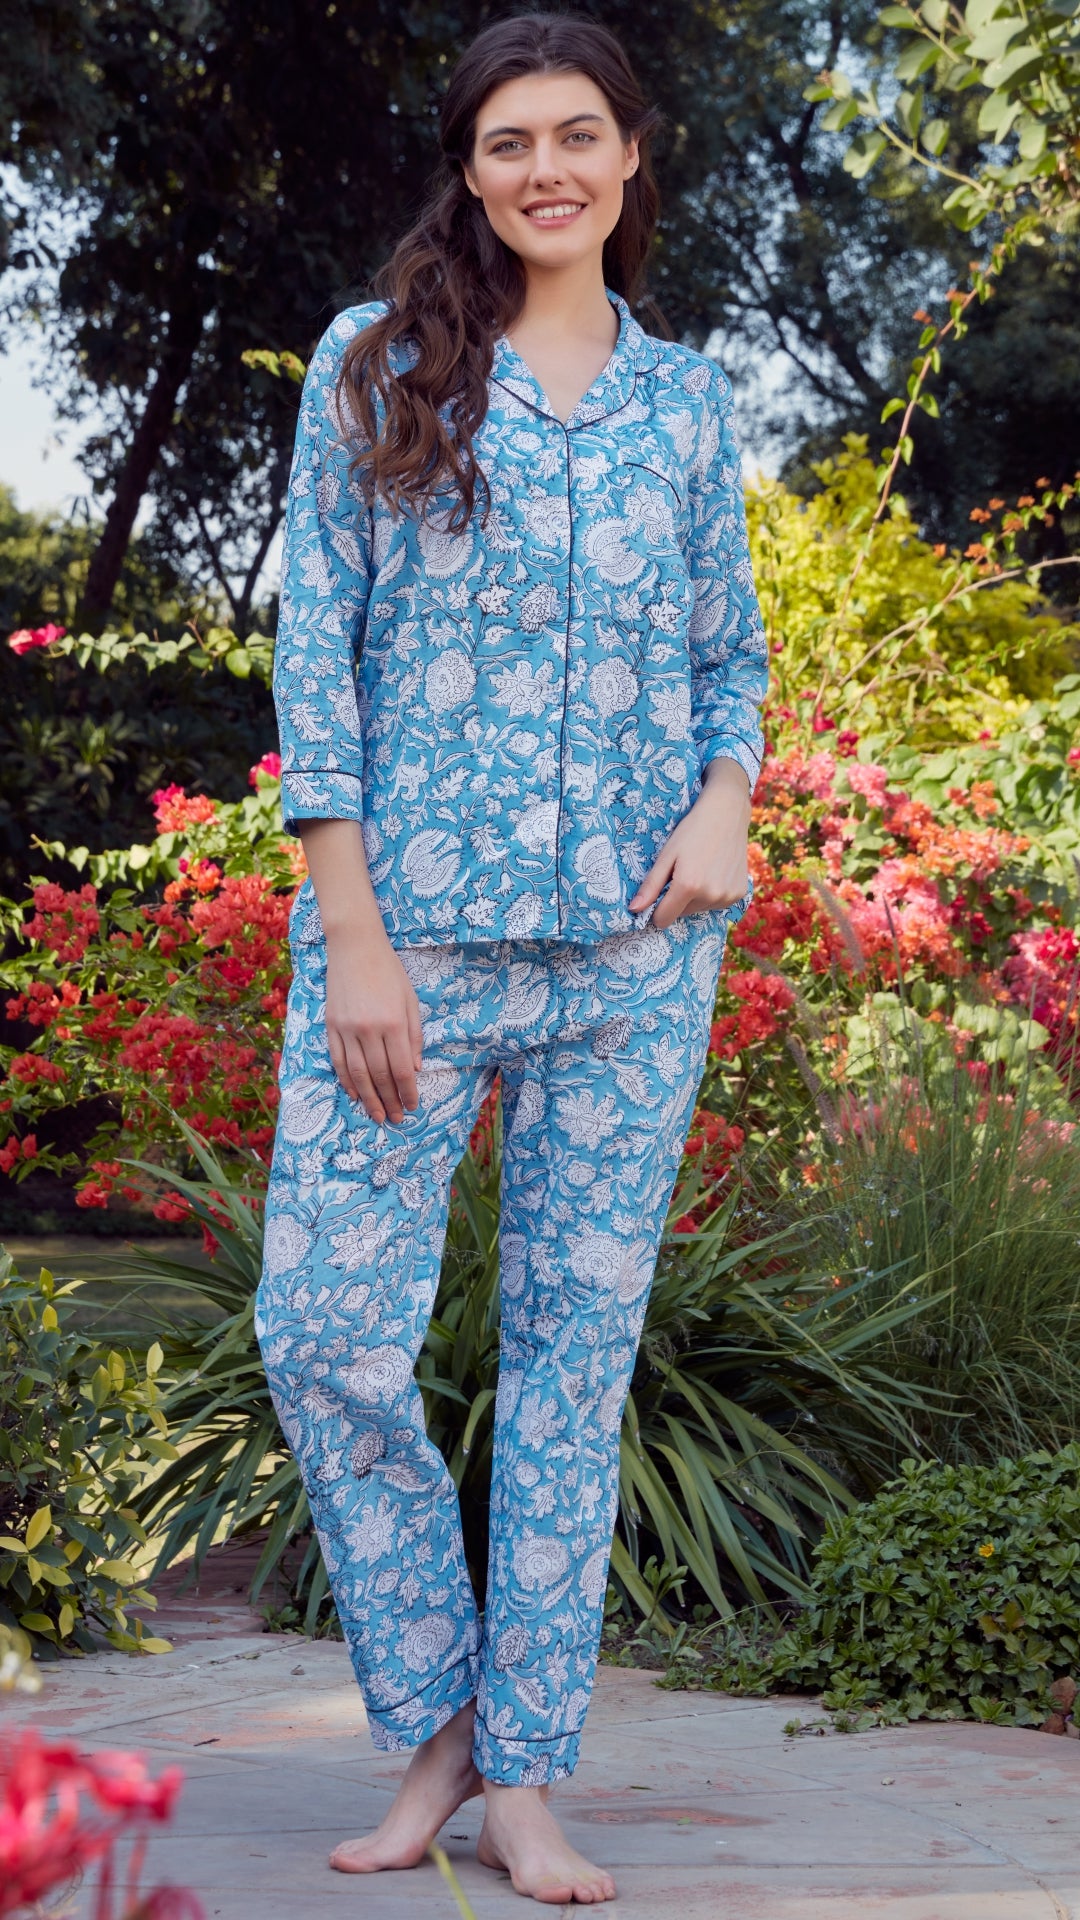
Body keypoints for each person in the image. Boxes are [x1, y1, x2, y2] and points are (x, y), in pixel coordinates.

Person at [254, 8, 768, 1905]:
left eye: (575, 135)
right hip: (409, 949)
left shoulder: (688, 405)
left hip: (634, 960)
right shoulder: (375, 367)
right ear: (469, 172)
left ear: (631, 155)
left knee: (573, 1371)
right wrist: (355, 939)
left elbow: (729, 653)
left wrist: (726, 800)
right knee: (323, 1333)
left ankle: (520, 1775)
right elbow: (316, 662)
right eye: (505, 142)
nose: (543, 169)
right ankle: (437, 1715)